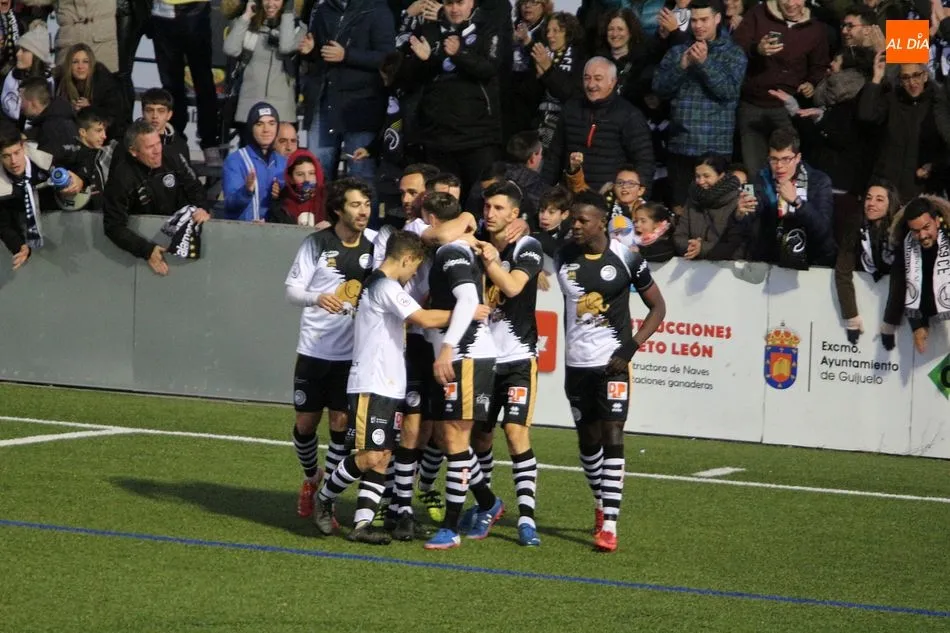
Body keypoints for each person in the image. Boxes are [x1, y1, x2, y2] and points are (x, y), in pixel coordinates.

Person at [311, 230, 465, 544]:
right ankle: (324, 498)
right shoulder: (383, 285)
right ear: (406, 259)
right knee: (370, 456)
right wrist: (465, 312)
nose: (412, 276)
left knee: (382, 458)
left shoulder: (385, 286)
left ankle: (362, 524)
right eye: (413, 268)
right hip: (372, 382)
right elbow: (422, 318)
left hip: (389, 384)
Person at [555, 190, 666, 552]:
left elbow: (658, 307)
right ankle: (601, 505)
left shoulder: (626, 257)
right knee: (588, 443)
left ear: (601, 222)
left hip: (613, 363)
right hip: (577, 364)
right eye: (572, 219)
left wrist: (630, 347)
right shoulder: (563, 254)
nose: (575, 225)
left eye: (582, 220)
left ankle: (611, 527)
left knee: (613, 432)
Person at [285, 177, 377, 528]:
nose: (363, 210)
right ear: (339, 208)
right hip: (313, 349)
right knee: (305, 424)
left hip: (351, 356)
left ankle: (330, 501)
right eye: (355, 204)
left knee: (341, 425)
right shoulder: (317, 244)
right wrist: (315, 297)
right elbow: (292, 290)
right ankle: (312, 478)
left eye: (366, 204)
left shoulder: (374, 247)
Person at [421, 191, 503, 551]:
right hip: (460, 353)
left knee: (455, 439)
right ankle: (487, 501)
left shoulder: (451, 251)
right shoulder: (458, 247)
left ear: (432, 220)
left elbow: (469, 300)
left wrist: (448, 349)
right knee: (445, 437)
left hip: (466, 355)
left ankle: (451, 528)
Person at [465, 181, 544, 547]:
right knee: (479, 435)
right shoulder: (475, 237)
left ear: (515, 214)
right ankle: (486, 506)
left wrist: (488, 259)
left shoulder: (527, 245)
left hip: (517, 357)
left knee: (514, 433)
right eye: (487, 207)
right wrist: (473, 235)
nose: (490, 213)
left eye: (499, 208)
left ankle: (526, 517)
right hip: (481, 356)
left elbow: (512, 288)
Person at [652, 0, 747, 216]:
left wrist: (704, 64)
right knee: (680, 212)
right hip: (680, 147)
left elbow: (729, 91)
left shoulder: (733, 53)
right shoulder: (678, 52)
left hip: (715, 148)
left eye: (704, 19)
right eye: (694, 20)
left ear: (717, 18)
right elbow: (659, 89)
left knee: (715, 212)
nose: (698, 25)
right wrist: (682, 66)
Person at [299, 0, 394, 182]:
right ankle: (319, 211)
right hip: (326, 101)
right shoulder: (323, 9)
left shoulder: (377, 8)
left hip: (361, 105)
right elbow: (322, 53)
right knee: (317, 172)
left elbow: (387, 56)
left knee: (361, 175)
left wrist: (347, 55)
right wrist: (311, 51)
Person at [102, 119, 211, 276]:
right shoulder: (122, 177)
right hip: (139, 253)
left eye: (158, 143)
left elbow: (195, 188)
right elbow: (113, 225)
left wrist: (202, 208)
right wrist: (146, 250)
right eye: (149, 147)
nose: (157, 151)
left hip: (180, 237)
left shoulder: (173, 156)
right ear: (134, 151)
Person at [542, 57, 654, 195]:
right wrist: (543, 193)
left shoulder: (629, 115)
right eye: (587, 78)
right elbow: (554, 156)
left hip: (610, 197)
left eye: (598, 78)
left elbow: (644, 161)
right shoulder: (570, 109)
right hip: (572, 196)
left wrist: (638, 201)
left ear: (612, 82)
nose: (591, 84)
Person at [750, 127, 836, 268]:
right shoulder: (761, 178)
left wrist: (797, 202)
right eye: (774, 159)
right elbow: (753, 218)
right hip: (773, 259)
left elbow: (823, 229)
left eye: (786, 159)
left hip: (815, 259)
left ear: (798, 158)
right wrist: (741, 213)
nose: (779, 166)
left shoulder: (819, 181)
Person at [0, 123, 82, 270]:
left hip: (64, 234)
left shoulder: (46, 161)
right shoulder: (2, 187)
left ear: (24, 147)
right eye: (6, 156)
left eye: (17, 153)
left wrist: (80, 180)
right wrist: (19, 246)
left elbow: (81, 164)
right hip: (30, 242)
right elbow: (4, 225)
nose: (13, 161)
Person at [150, 0, 222, 167]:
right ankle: (176, 141)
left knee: (203, 80)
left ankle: (209, 143)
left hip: (195, 10)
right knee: (170, 83)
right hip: (161, 13)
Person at [881, 195, 950, 354]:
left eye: (926, 227)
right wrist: (917, 325)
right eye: (916, 231)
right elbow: (901, 287)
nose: (923, 235)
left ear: (937, 221)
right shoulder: (905, 247)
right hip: (934, 323)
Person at [834, 180, 900, 344]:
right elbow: (842, 272)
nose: (871, 203)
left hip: (896, 313)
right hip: (865, 305)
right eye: (869, 198)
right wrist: (851, 317)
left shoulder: (901, 230)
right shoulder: (855, 225)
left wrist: (890, 321)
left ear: (890, 204)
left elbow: (903, 279)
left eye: (879, 199)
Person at [222, 0, 303, 129]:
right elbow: (231, 49)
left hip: (282, 112)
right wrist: (246, 16)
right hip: (248, 108)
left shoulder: (298, 27)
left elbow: (286, 47)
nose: (270, 3)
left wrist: (287, 14)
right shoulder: (247, 23)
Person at [674, 153, 756, 261]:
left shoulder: (738, 202)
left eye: (706, 176)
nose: (701, 181)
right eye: (697, 176)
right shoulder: (692, 200)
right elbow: (679, 235)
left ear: (721, 176)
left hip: (728, 269)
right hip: (693, 265)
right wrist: (691, 247)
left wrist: (702, 248)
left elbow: (734, 243)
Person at [222, 102, 287, 222]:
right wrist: (246, 191)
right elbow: (229, 206)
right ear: (251, 128)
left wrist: (282, 195)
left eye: (271, 123)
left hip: (275, 234)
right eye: (259, 124)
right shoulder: (235, 161)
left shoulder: (284, 163)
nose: (266, 129)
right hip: (243, 233)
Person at [54, 43, 126, 139]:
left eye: (85, 62)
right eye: (75, 62)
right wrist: (71, 110)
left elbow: (115, 117)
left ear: (91, 64)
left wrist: (90, 108)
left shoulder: (105, 82)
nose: (80, 67)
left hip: (108, 137)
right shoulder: (61, 83)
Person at [59, 107, 117, 210]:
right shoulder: (70, 155)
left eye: (105, 130)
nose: (104, 136)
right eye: (99, 131)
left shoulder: (104, 153)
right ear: (83, 132)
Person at [1, 22, 53, 126]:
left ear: (37, 56)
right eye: (18, 49)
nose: (18, 54)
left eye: (24, 50)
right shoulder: (8, 75)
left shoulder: (49, 82)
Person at [19, 76, 78, 163]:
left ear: (33, 102)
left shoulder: (54, 128)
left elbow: (46, 163)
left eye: (22, 99)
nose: (20, 105)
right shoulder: (53, 118)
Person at [267, 148, 326, 226]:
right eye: (300, 174)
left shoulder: (328, 201)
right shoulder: (280, 207)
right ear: (290, 179)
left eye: (311, 173)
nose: (307, 179)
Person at [140, 88, 191, 168]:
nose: (155, 116)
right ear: (143, 112)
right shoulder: (129, 141)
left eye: (161, 111)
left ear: (169, 115)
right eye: (149, 110)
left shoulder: (179, 146)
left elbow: (188, 178)